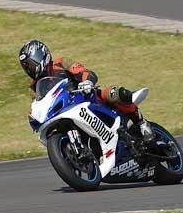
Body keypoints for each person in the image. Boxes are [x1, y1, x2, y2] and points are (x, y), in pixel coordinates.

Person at [18, 39, 154, 142]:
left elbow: (83, 71)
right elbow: (37, 105)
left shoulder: (60, 63)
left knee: (114, 93)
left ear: (41, 56)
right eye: (26, 67)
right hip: (64, 110)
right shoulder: (34, 87)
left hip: (86, 96)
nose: (29, 69)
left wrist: (86, 81)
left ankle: (141, 122)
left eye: (30, 64)